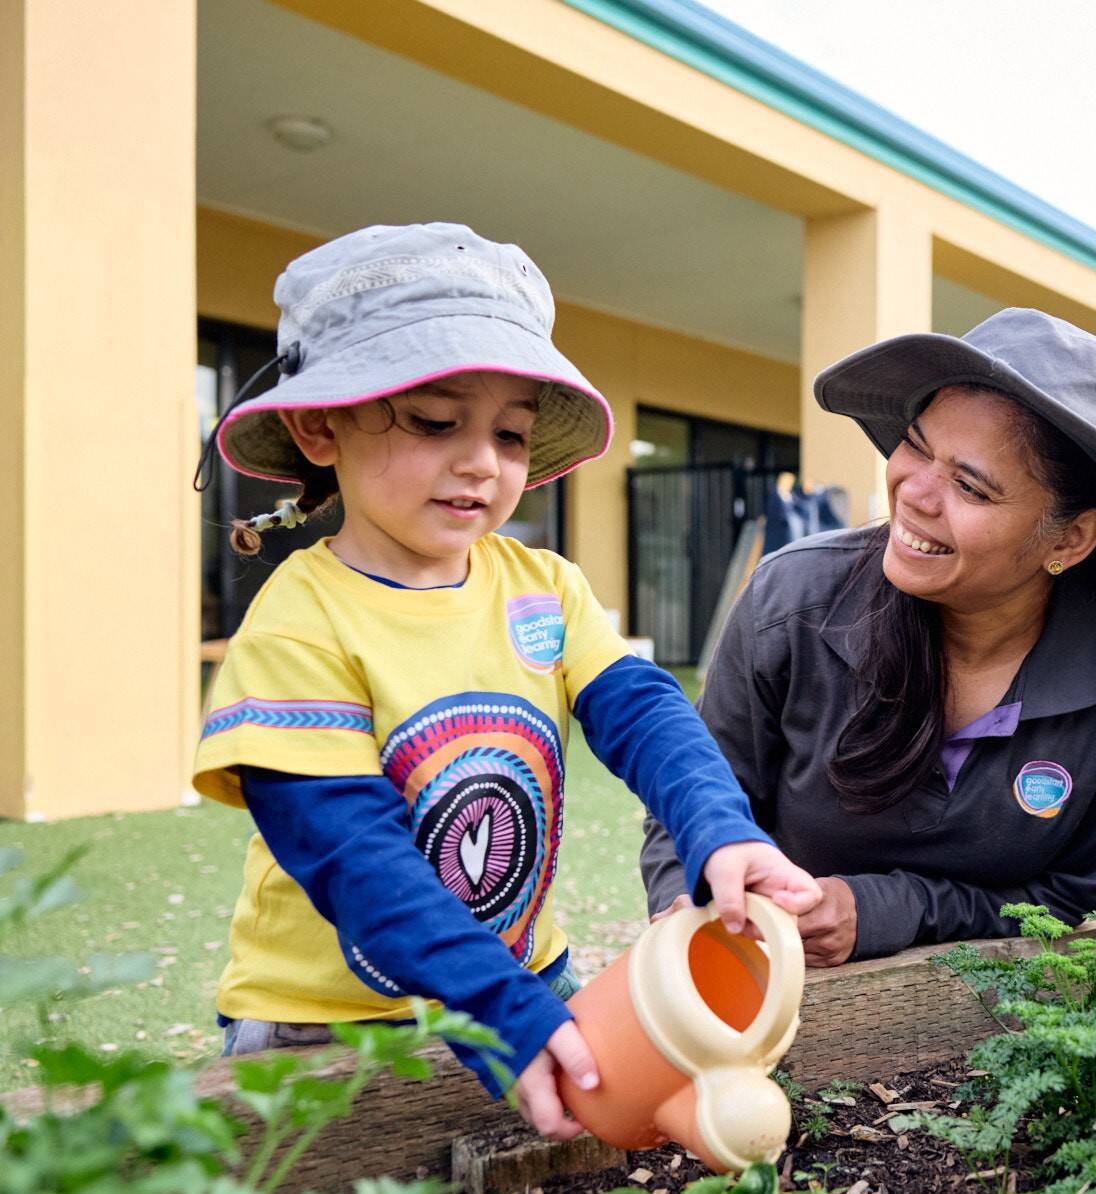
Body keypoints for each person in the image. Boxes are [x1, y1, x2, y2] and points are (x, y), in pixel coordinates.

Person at [191, 223, 820, 1139]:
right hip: (325, 1024)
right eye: (436, 422)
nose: (483, 461)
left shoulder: (543, 588)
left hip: (525, 983)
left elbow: (646, 715)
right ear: (320, 426)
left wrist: (720, 830)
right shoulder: (299, 624)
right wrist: (499, 1006)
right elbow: (351, 855)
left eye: (511, 433)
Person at [639, 308, 1096, 966]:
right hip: (767, 981)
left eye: (969, 485)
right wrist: (692, 909)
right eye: (915, 445)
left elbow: (1076, 897)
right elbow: (693, 802)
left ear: (1070, 538)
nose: (914, 493)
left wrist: (888, 909)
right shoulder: (790, 601)